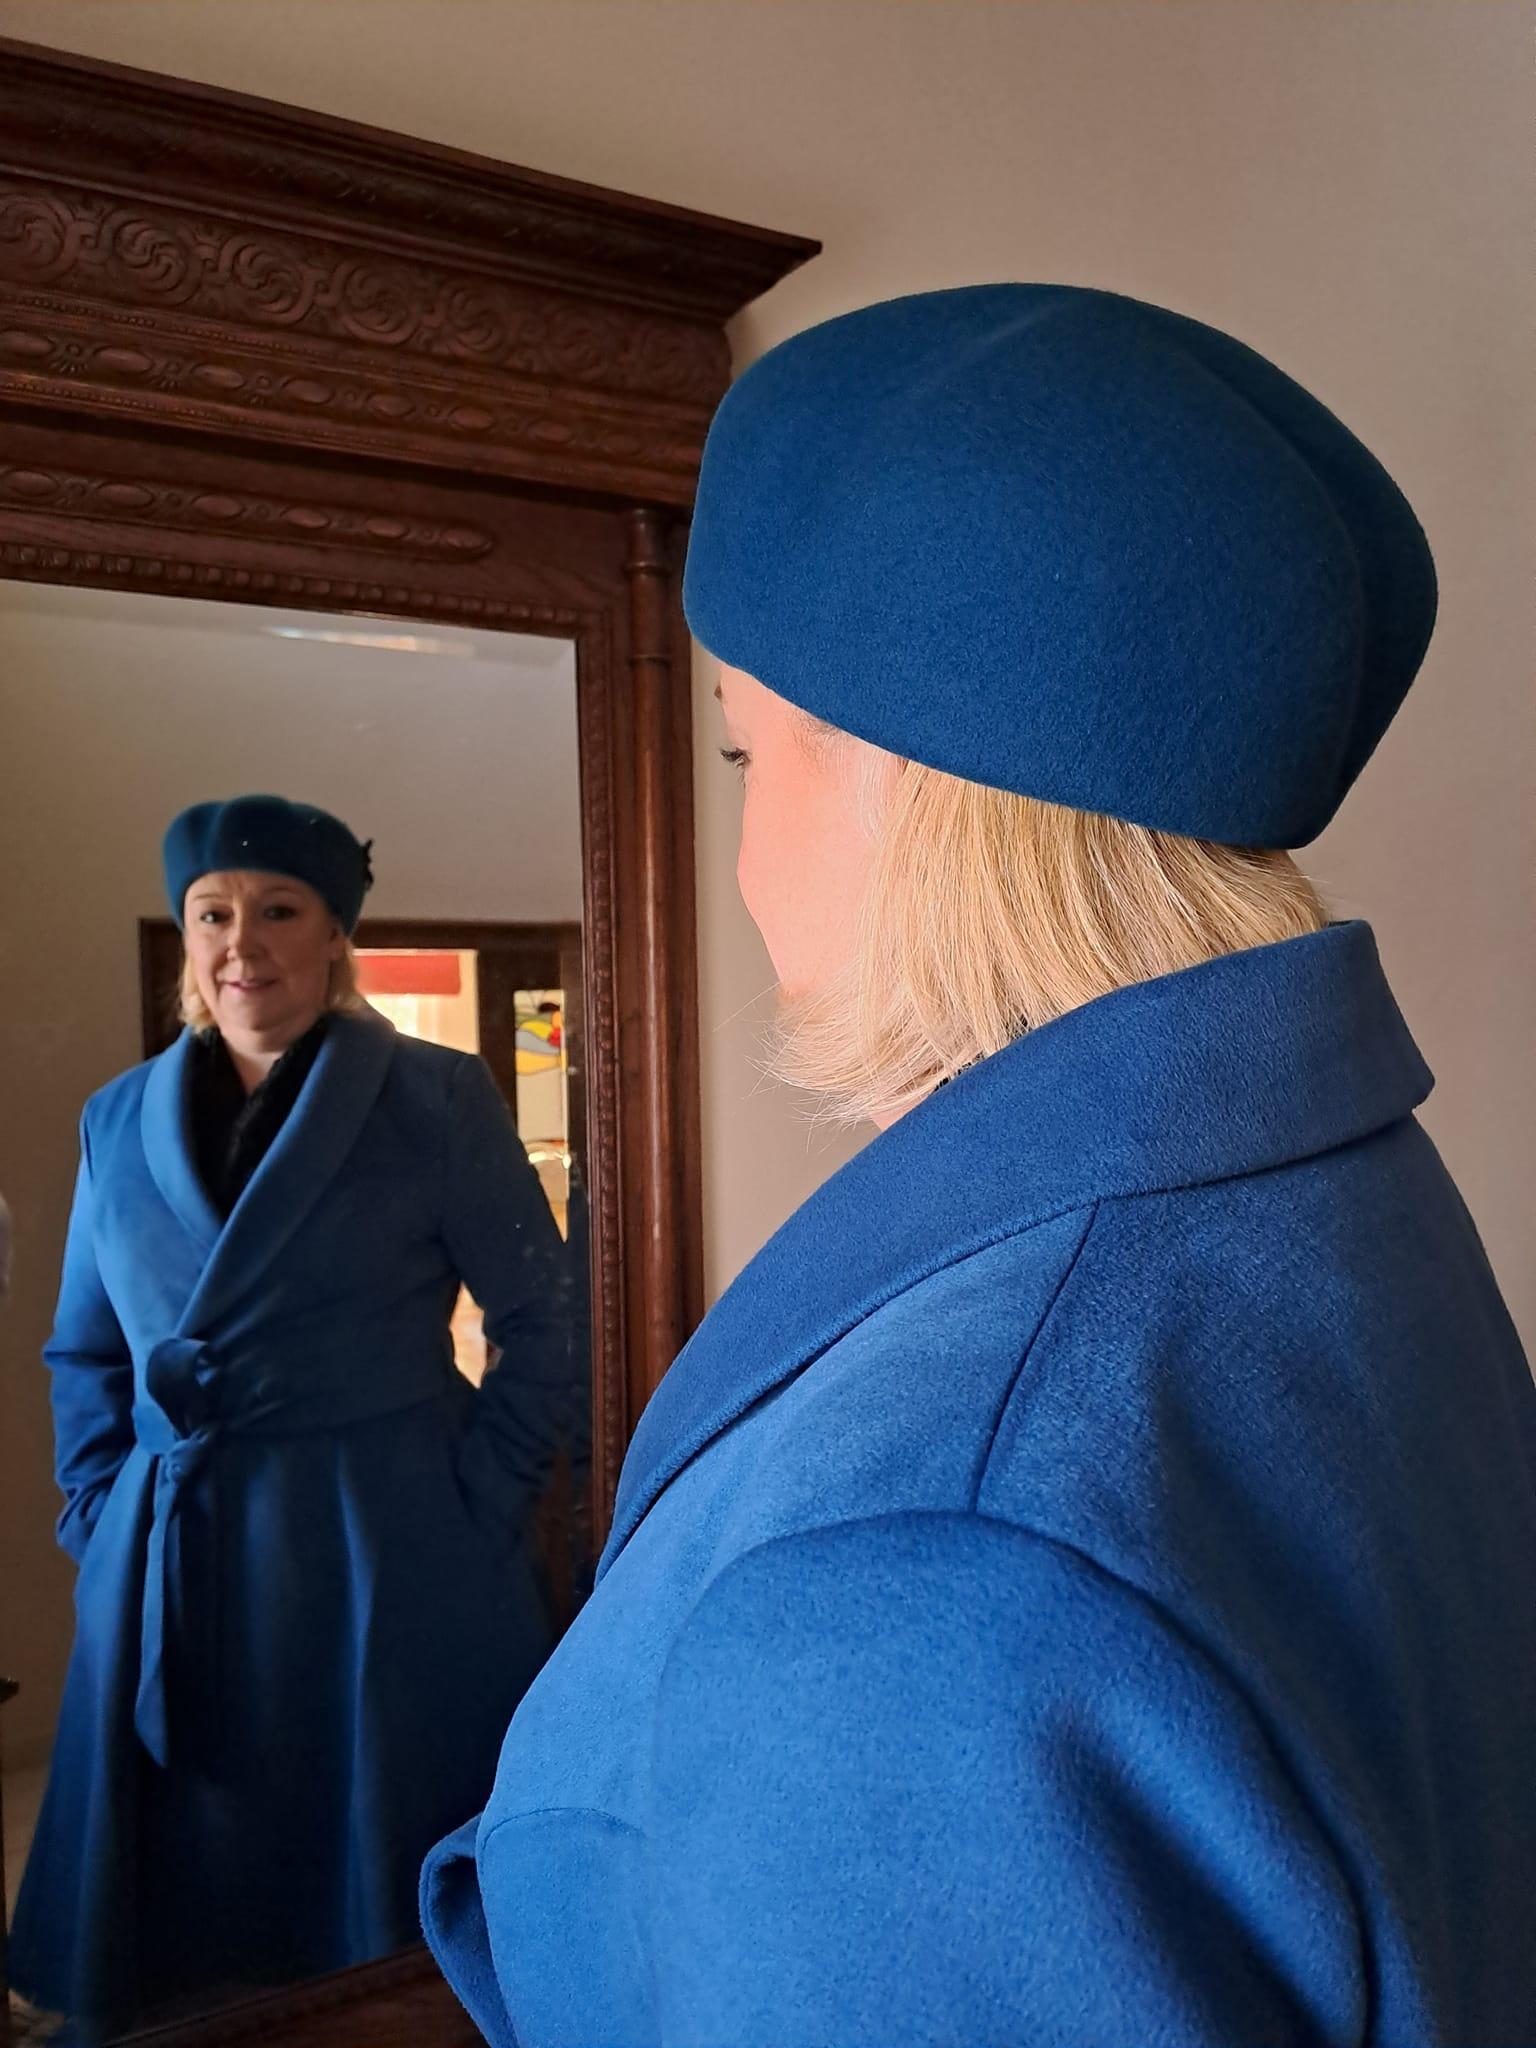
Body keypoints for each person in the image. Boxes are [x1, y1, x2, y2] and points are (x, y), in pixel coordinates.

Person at [422, 286, 1536, 2047]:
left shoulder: (915, 1570)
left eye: (742, 748)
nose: (742, 846)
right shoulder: (1341, 1195)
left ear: (911, 788)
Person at [11, 795, 580, 2045]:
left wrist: (478, 1496)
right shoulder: (117, 1116)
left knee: (384, 1933)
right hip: (170, 1538)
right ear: (185, 936)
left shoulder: (433, 1095)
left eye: (278, 908)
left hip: (386, 1537)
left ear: (335, 935)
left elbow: (546, 1314)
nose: (242, 941)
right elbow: (85, 1347)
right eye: (212, 912)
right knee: (179, 1941)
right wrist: (100, 1512)